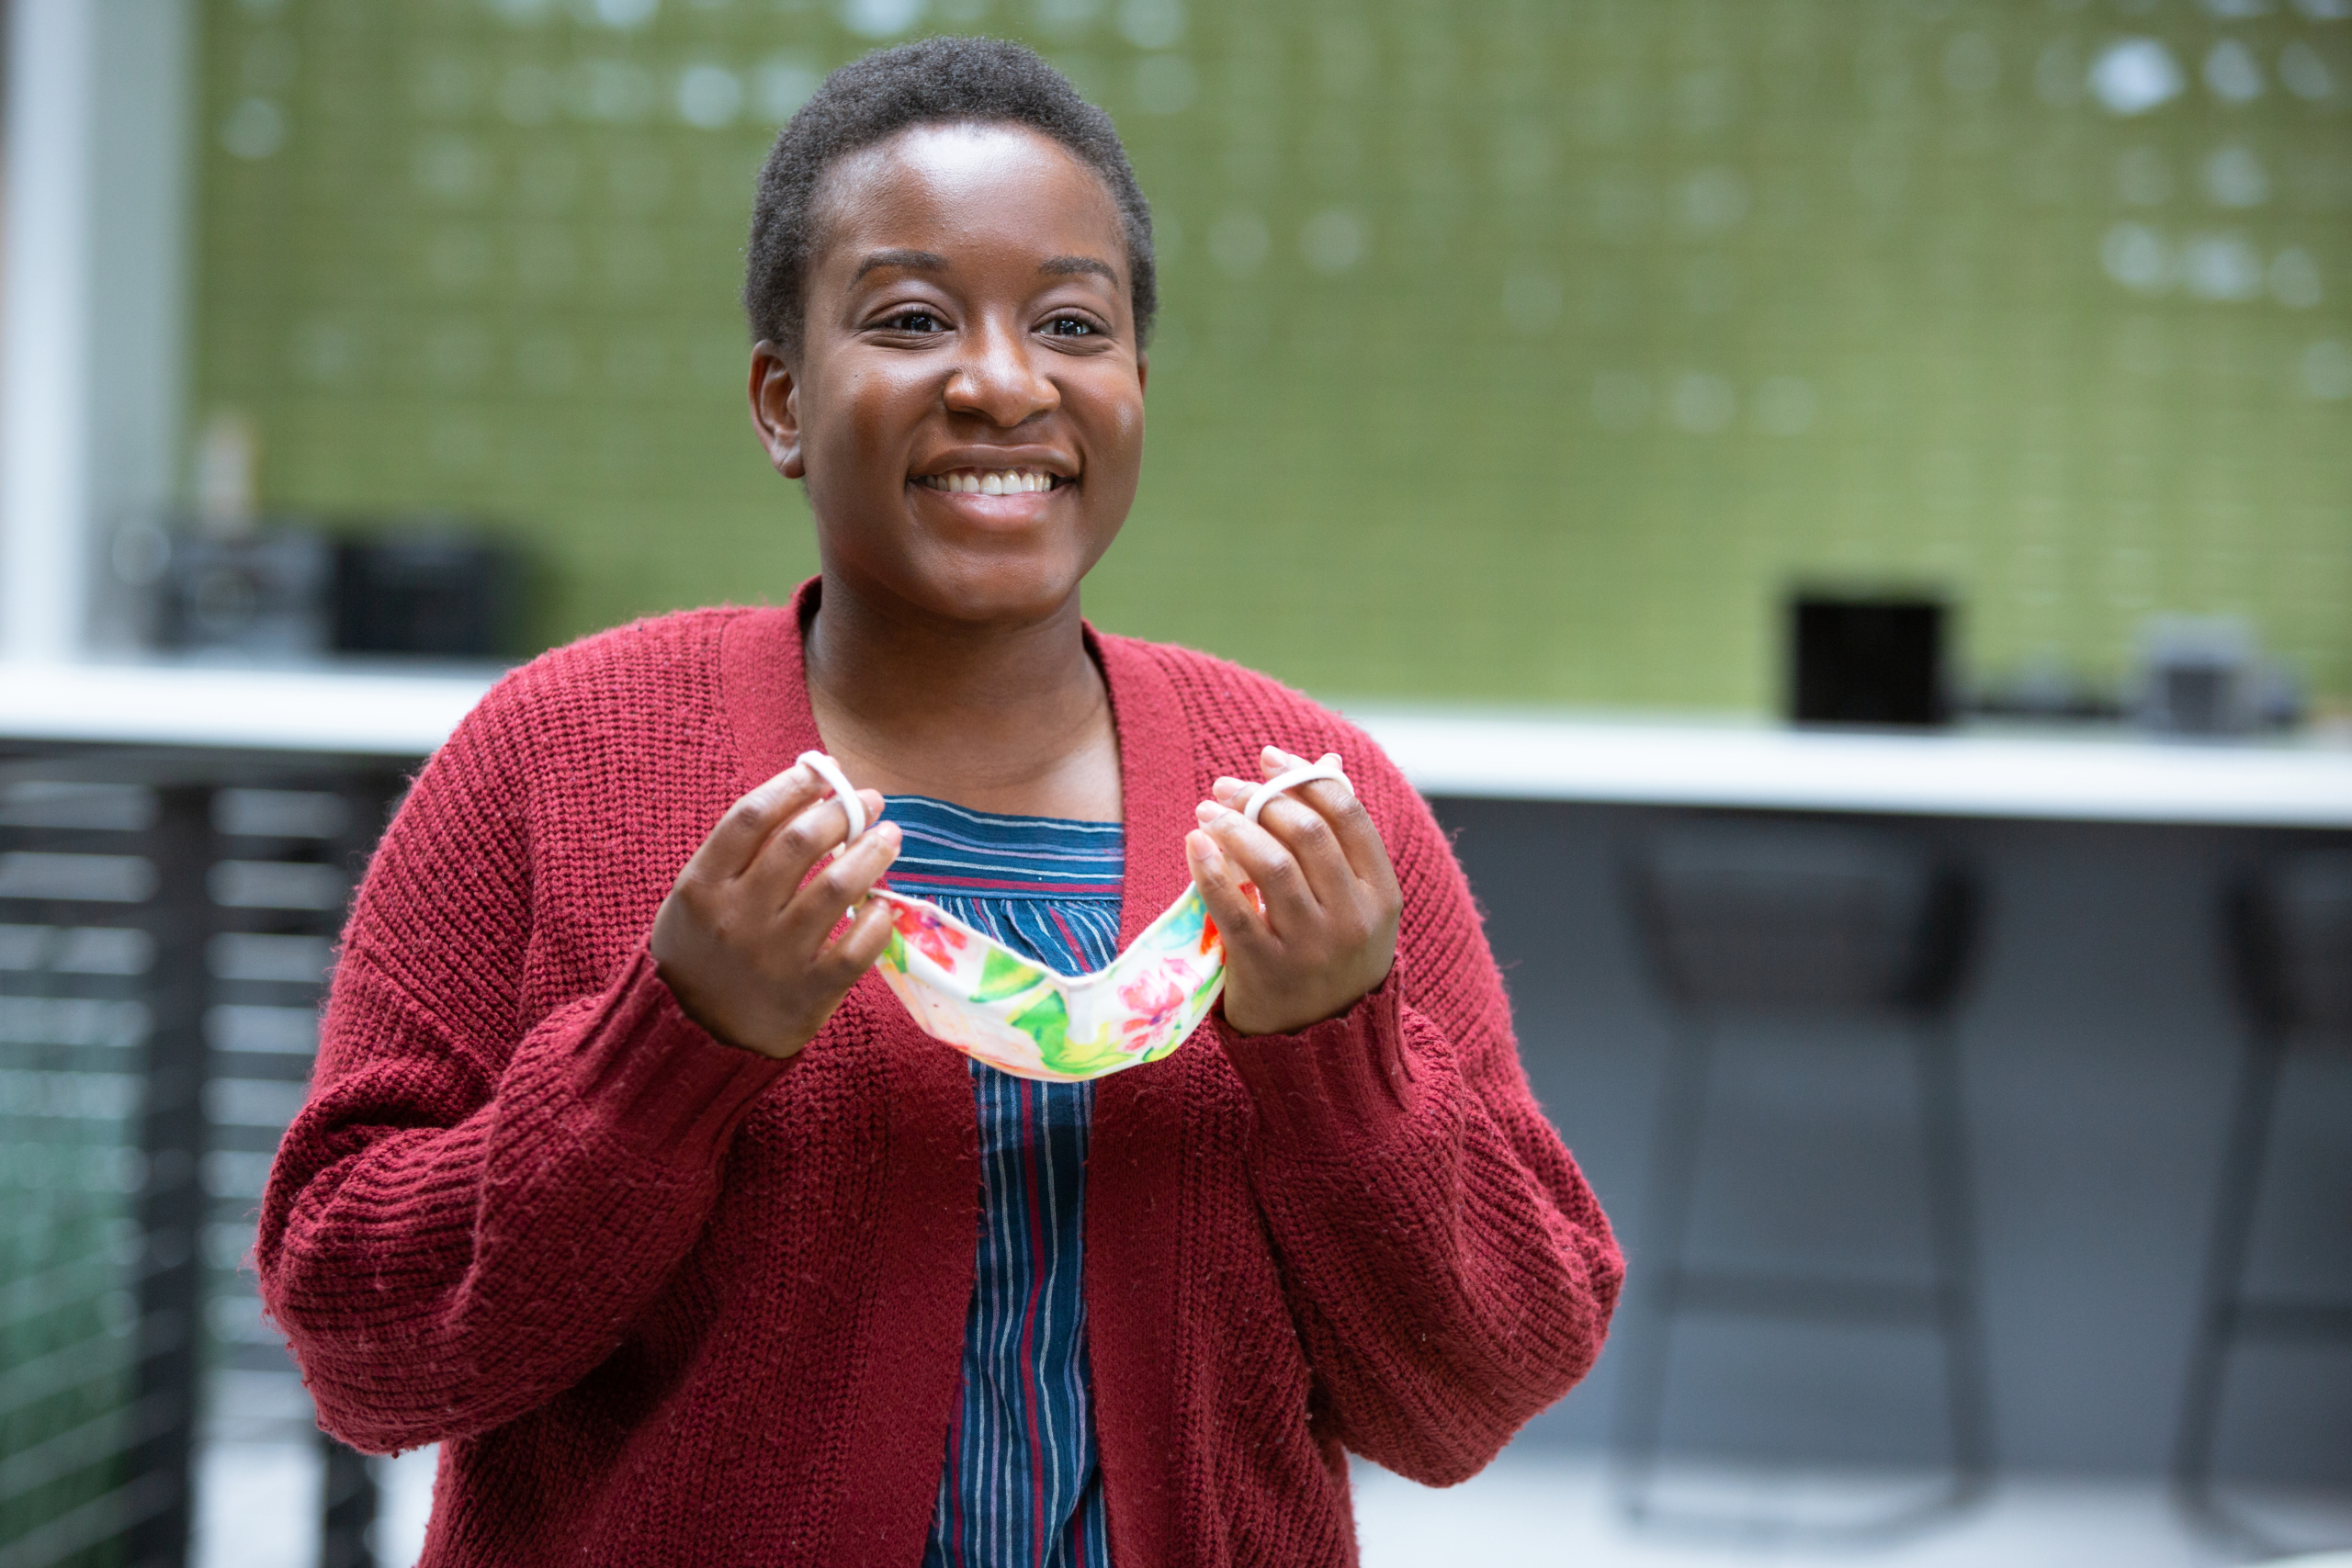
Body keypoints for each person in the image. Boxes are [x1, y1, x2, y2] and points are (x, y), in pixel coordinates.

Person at [258, 36, 1621, 1567]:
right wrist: (667, 1051)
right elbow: (362, 1352)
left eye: (1070, 325)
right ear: (782, 400)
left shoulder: (1308, 804)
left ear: (1132, 393)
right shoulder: (554, 758)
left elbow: (1480, 1391)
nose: (1000, 380)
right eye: (912, 319)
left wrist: (1341, 1059)